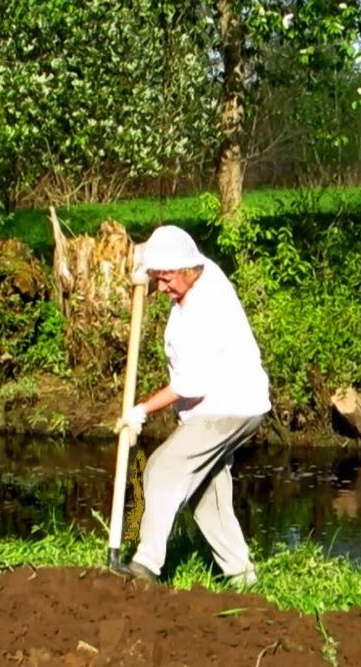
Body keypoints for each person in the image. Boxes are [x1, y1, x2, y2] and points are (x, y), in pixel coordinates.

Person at [114, 225, 271, 587]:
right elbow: (160, 252)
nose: (162, 287)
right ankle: (242, 575)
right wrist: (145, 271)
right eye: (159, 278)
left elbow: (191, 385)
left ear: (187, 270)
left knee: (163, 468)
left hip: (227, 406)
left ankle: (146, 564)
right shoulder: (197, 269)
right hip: (236, 403)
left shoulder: (206, 308)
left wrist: (142, 410)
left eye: (166, 279)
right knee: (206, 490)